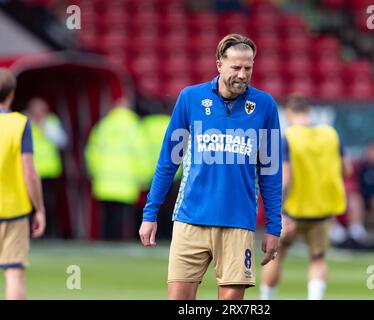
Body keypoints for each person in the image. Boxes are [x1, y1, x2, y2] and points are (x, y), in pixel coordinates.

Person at [139, 34, 282, 300]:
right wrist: (151, 213)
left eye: (248, 68)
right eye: (236, 67)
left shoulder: (264, 106)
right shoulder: (190, 99)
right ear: (219, 65)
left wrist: (274, 227)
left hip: (238, 222)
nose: (242, 74)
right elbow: (169, 160)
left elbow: (271, 171)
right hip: (190, 218)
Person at [260, 93, 352, 300]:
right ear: (309, 112)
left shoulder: (289, 137)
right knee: (318, 259)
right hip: (322, 210)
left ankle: (265, 300)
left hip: (293, 210)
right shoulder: (331, 134)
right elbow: (347, 169)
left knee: (276, 257)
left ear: (290, 114)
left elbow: (286, 178)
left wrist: (278, 213)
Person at [0, 68, 46, 299]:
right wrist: (39, 208)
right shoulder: (19, 124)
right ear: (12, 93)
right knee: (14, 275)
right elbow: (29, 171)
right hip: (12, 209)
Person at [85, 98, 147, 241]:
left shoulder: (103, 125)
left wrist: (95, 172)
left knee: (106, 216)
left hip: (104, 181)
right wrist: (143, 177)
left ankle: (104, 242)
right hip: (126, 182)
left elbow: (91, 152)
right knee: (122, 218)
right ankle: (118, 242)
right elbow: (142, 154)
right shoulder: (134, 127)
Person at [24, 97, 68, 238]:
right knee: (28, 204)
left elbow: (62, 141)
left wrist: (43, 125)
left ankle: (47, 233)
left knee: (48, 204)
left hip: (48, 172)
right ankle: (30, 233)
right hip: (29, 171)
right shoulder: (24, 122)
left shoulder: (51, 122)